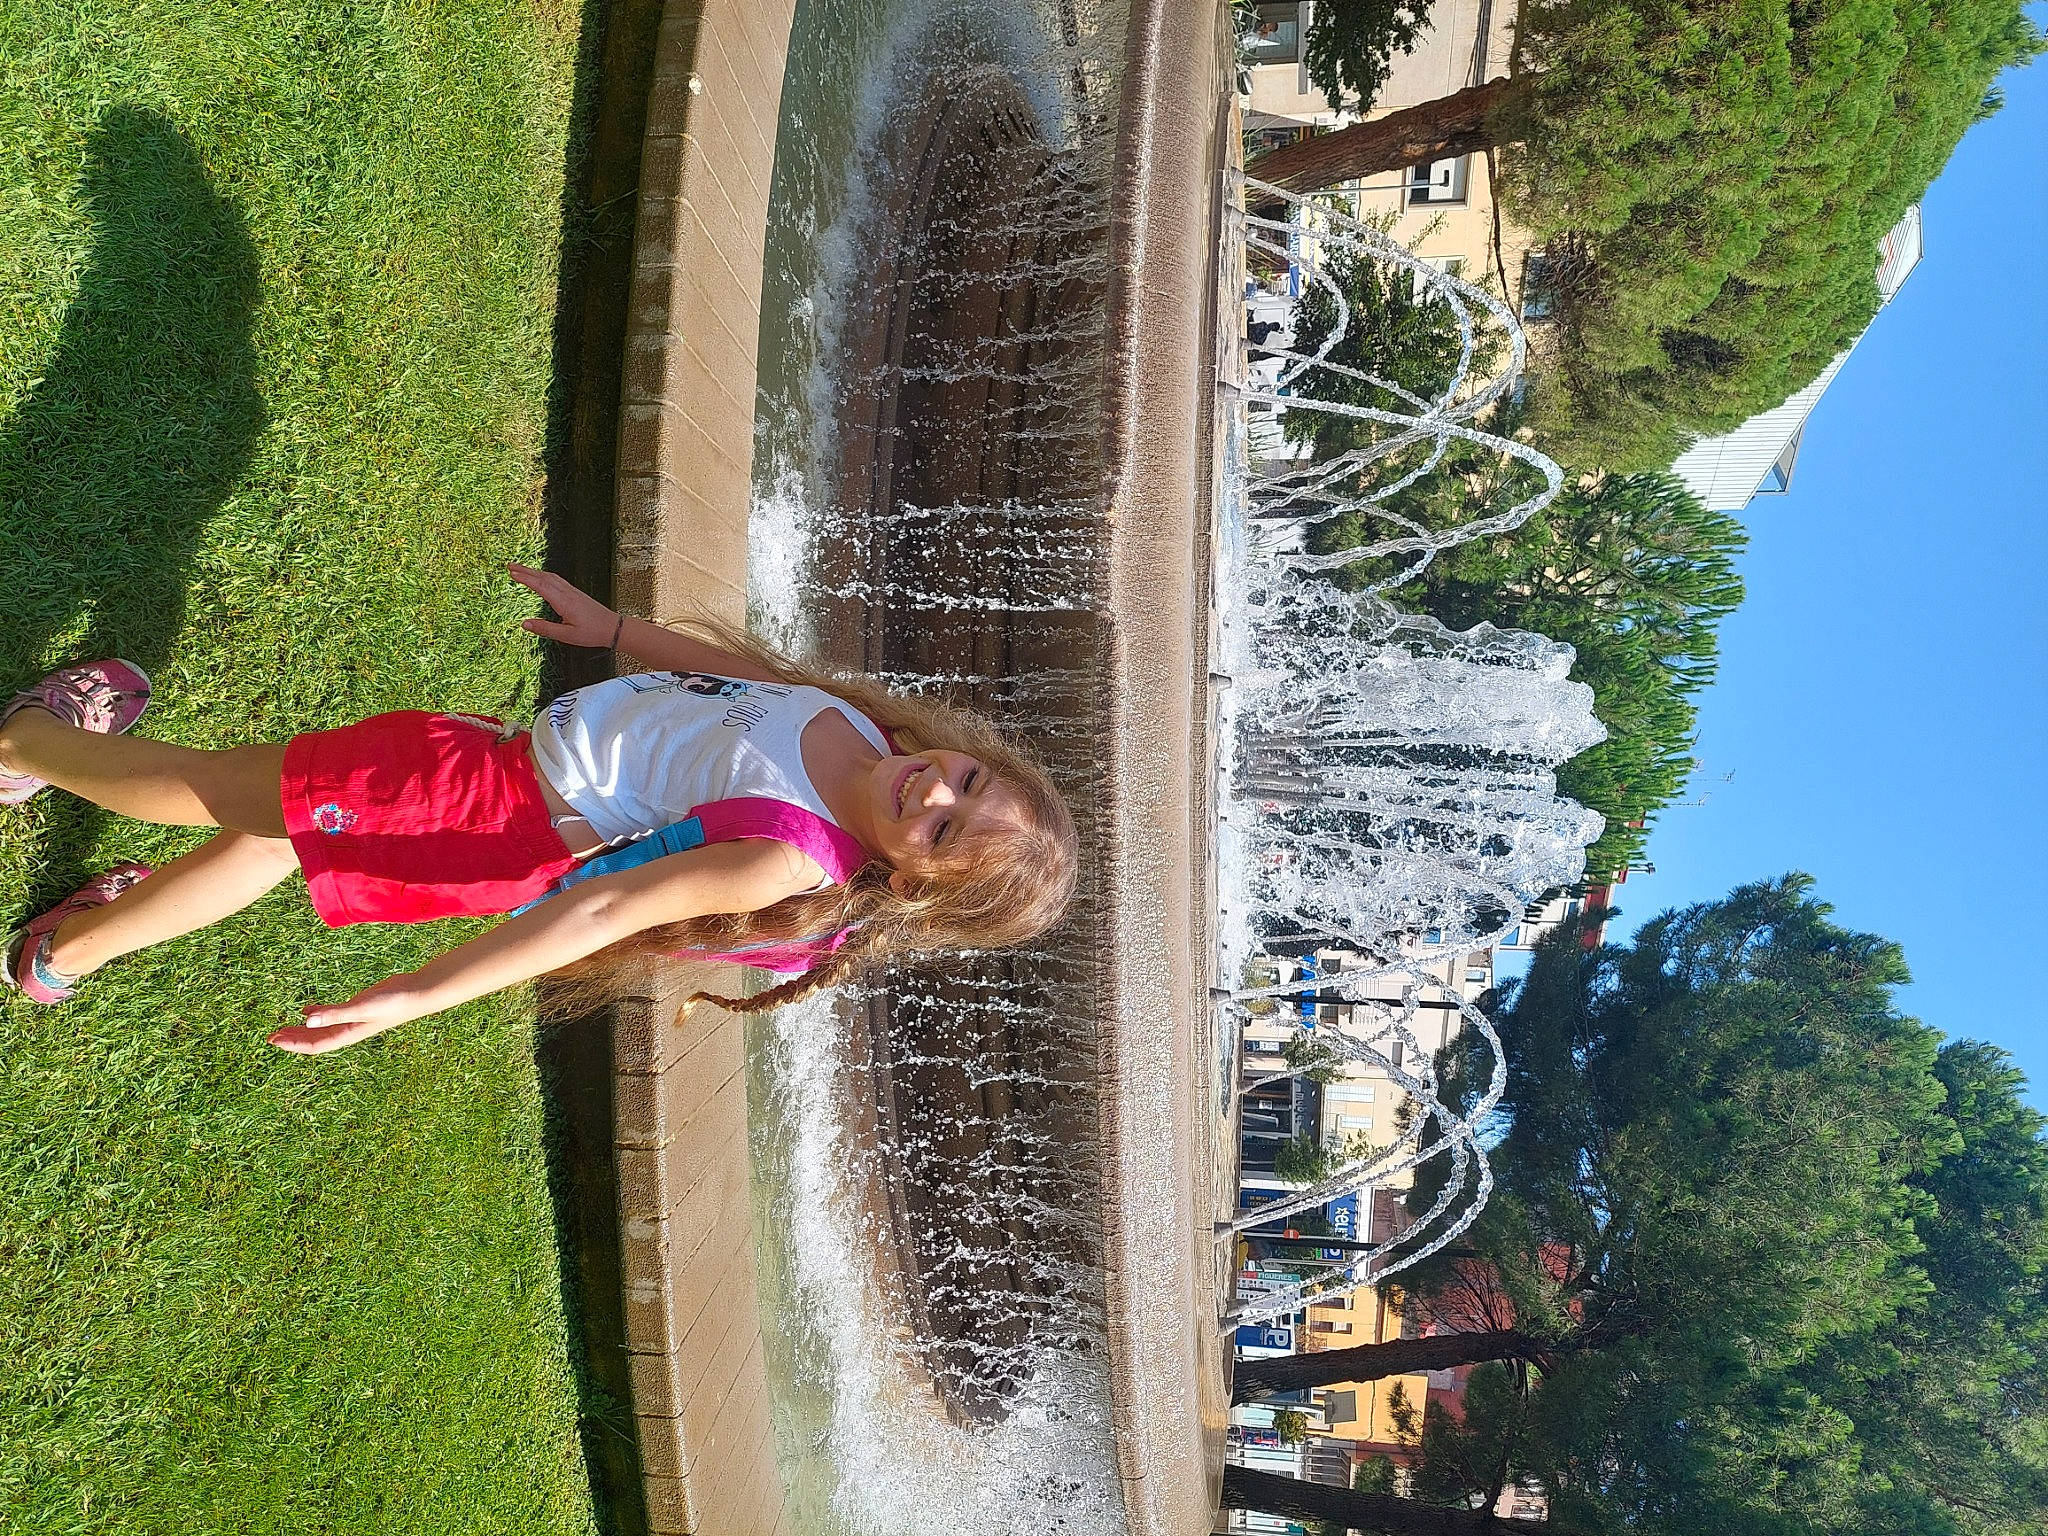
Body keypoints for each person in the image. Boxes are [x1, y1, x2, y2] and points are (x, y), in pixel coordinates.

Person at [0, 564, 1078, 1053]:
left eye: (940, 830)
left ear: (905, 882)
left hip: (477, 810)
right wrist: (616, 631)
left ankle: (25, 744)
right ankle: (65, 956)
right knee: (275, 827)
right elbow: (738, 676)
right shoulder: (870, 738)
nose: (933, 791)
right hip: (494, 774)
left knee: (229, 787)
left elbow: (598, 916)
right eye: (967, 780)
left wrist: (417, 998)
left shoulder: (789, 856)